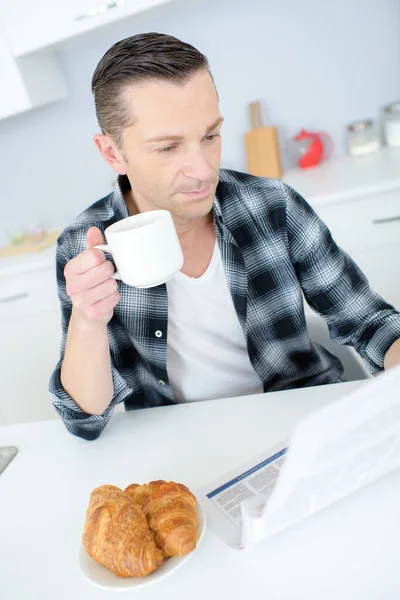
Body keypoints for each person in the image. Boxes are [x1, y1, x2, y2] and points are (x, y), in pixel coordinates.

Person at [49, 32, 400, 440]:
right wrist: (89, 321)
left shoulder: (273, 206)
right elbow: (85, 421)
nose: (201, 169)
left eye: (210, 136)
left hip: (305, 429)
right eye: (168, 147)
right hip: (182, 448)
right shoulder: (83, 247)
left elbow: (371, 323)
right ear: (113, 153)